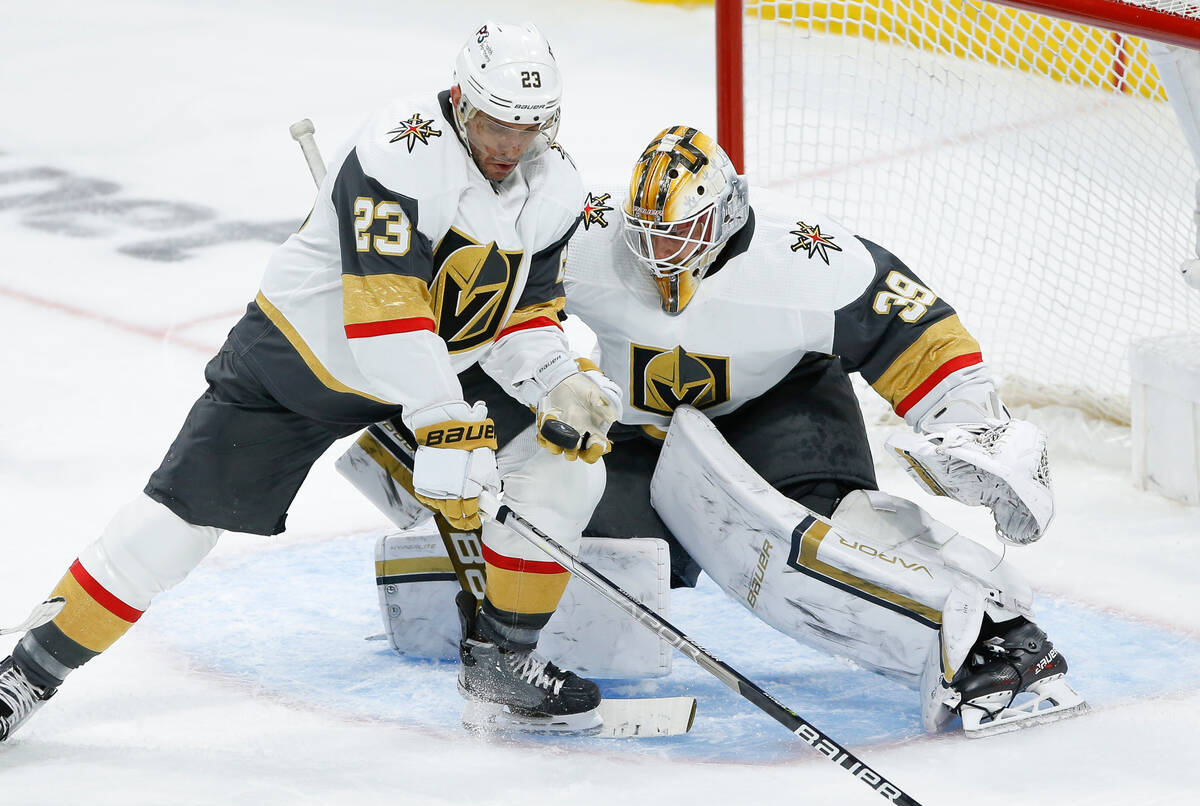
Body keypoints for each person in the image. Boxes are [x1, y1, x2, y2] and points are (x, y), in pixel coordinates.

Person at [0, 21, 623, 743]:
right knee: (170, 530)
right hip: (300, 364)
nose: (508, 145)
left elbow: (523, 312)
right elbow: (384, 311)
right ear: (460, 101)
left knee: (566, 470)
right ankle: (24, 674)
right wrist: (444, 423)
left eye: (525, 126)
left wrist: (555, 376)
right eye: (493, 123)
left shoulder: (557, 183)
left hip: (439, 369)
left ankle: (500, 663)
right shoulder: (401, 146)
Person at [558, 125, 1084, 737]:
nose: (664, 254)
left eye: (682, 232)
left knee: (830, 538)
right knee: (592, 563)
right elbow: (494, 310)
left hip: (782, 408)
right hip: (637, 434)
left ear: (728, 212)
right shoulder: (585, 238)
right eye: (649, 235)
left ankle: (1002, 639)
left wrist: (973, 424)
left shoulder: (807, 260)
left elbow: (918, 329)